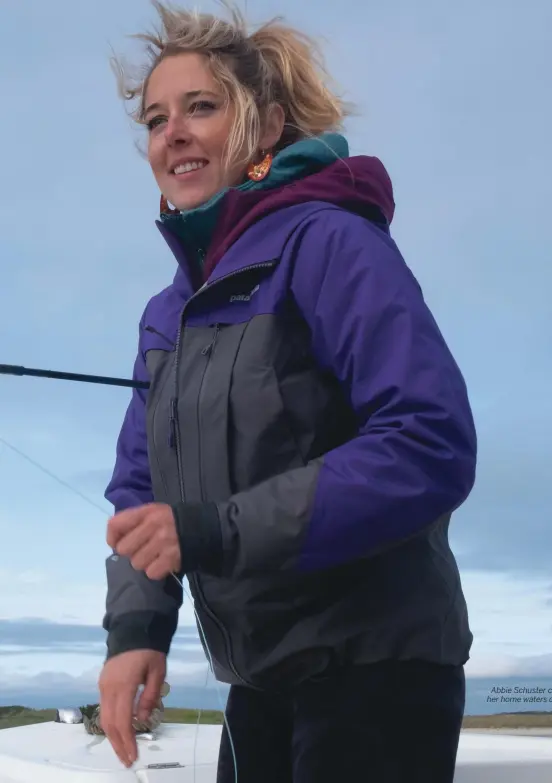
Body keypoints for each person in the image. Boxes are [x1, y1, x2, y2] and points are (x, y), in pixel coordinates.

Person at [98, 2, 477, 781]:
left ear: (265, 127)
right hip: (259, 680)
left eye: (201, 107)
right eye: (156, 117)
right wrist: (137, 627)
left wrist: (216, 529)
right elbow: (140, 493)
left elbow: (426, 441)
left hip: (377, 670)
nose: (173, 133)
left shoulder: (332, 243)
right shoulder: (166, 314)